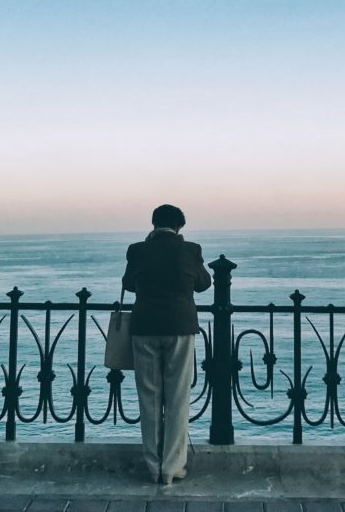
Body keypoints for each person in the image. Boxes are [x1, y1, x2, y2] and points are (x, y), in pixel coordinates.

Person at [122, 204, 212, 484]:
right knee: (177, 397)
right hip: (180, 328)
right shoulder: (190, 250)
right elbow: (204, 283)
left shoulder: (137, 250)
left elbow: (128, 284)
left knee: (149, 397)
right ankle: (172, 467)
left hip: (145, 328)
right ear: (179, 226)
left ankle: (153, 464)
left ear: (153, 224)